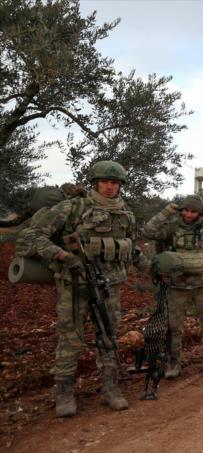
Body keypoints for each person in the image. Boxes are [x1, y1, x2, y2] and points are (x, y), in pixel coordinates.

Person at [18, 161, 146, 416]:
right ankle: (64, 393)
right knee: (71, 338)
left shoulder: (125, 212)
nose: (110, 187)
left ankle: (110, 389)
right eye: (105, 182)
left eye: (115, 182)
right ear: (95, 182)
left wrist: (151, 267)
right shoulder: (73, 207)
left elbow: (131, 246)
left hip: (110, 286)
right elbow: (30, 237)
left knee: (108, 337)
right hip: (75, 284)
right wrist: (64, 256)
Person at [142, 195, 203, 375]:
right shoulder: (172, 227)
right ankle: (174, 362)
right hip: (177, 285)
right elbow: (148, 231)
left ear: (199, 213)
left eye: (193, 211)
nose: (189, 214)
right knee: (174, 326)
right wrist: (167, 211)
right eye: (185, 210)